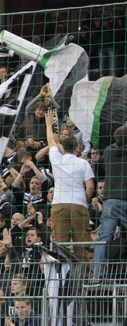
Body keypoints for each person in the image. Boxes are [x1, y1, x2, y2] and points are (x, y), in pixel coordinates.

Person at [45, 109, 95, 265]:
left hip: (60, 204)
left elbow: (51, 141)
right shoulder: (83, 163)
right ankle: (84, 280)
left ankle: (60, 278)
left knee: (60, 242)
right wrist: (85, 201)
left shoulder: (56, 159)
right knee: (81, 244)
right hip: (79, 204)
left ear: (63, 147)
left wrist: (48, 125)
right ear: (78, 148)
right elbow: (90, 186)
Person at [92, 124, 127, 281]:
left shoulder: (108, 151)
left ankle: (97, 274)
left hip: (110, 201)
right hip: (126, 200)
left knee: (103, 238)